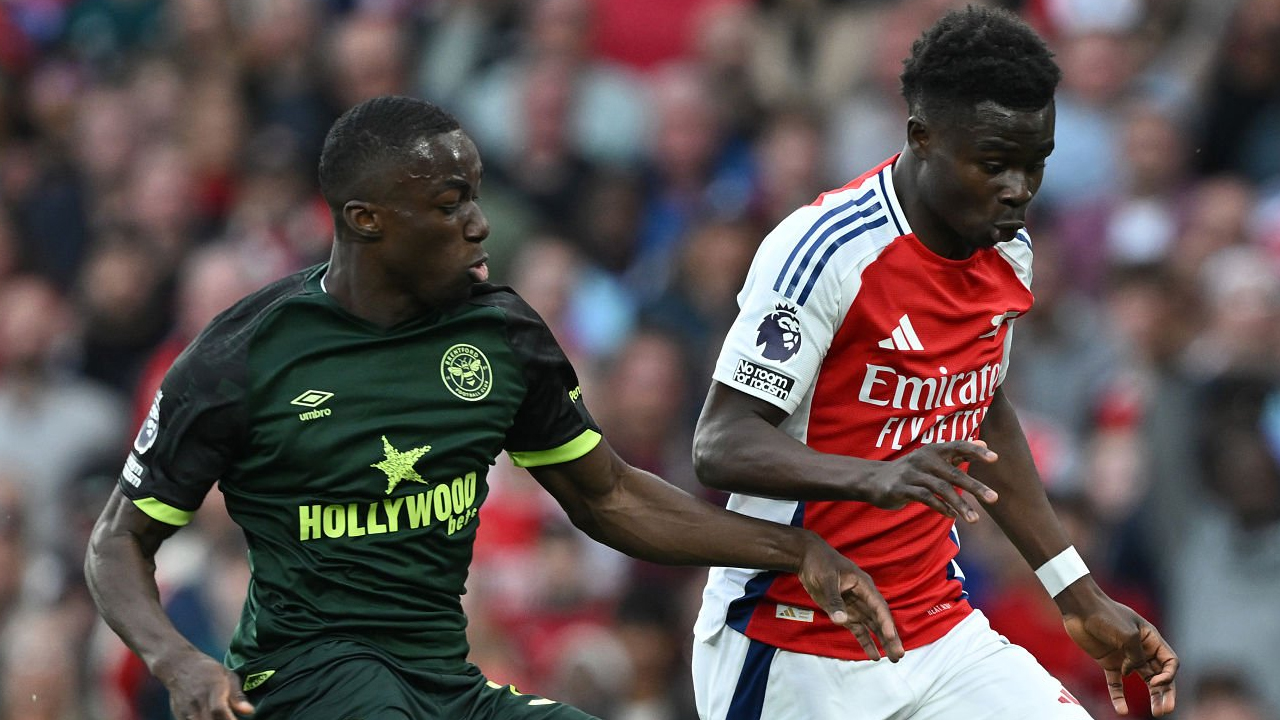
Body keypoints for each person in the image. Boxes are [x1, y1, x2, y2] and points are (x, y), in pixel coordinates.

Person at [83, 95, 905, 720]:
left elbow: (609, 496)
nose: (479, 225)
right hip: (307, 683)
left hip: (447, 685)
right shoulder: (243, 355)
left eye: (474, 197)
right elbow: (118, 541)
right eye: (448, 206)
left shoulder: (501, 337)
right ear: (366, 221)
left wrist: (794, 549)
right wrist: (177, 661)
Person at [689, 7, 1179, 720]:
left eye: (1033, 162)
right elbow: (719, 443)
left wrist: (1076, 591)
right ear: (922, 136)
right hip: (796, 642)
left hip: (940, 631)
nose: (1018, 187)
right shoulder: (826, 250)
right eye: (993, 163)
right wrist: (874, 477)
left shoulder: (1007, 245)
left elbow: (984, 404)